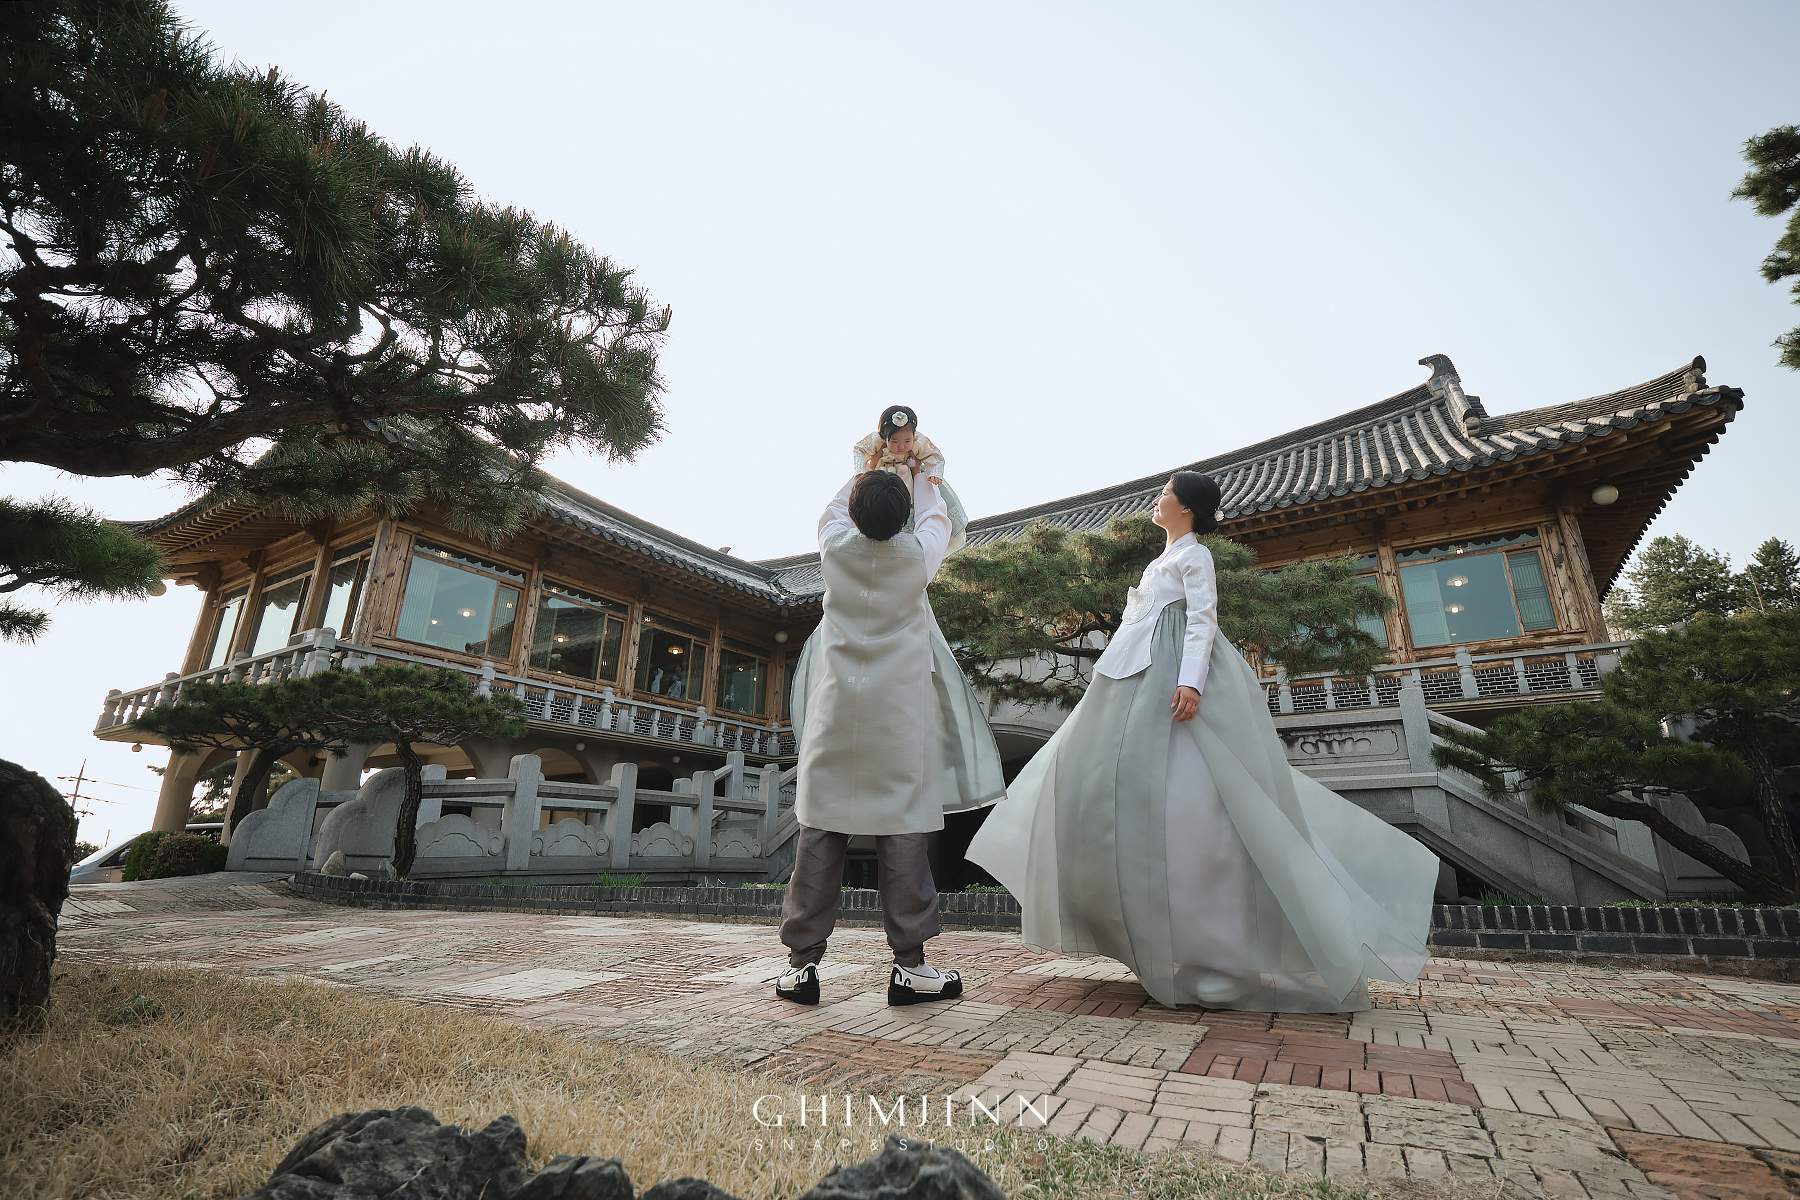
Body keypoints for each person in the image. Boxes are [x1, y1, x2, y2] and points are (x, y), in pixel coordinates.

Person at [966, 471, 1436, 1013]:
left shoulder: (1197, 556)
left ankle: (1220, 953)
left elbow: (1202, 620)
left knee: (1200, 806)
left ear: (1186, 507)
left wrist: (1190, 681)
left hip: (1170, 682)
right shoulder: (1159, 560)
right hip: (1133, 683)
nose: (1157, 499)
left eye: (1165, 493)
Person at [775, 469, 1006, 1007]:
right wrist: (922, 473)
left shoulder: (834, 548)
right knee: (903, 832)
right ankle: (911, 968)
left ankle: (801, 967)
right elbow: (937, 516)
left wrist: (865, 467)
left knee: (821, 829)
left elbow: (832, 509)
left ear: (855, 513)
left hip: (837, 710)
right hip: (899, 713)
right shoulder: (918, 556)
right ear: (904, 517)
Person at [853, 406, 968, 558]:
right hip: (884, 479)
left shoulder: (918, 442)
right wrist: (861, 471)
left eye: (907, 441)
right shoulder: (876, 441)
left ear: (913, 436)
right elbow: (859, 449)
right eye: (894, 442)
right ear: (884, 437)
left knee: (918, 509)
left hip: (910, 480)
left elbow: (934, 455)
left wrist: (934, 473)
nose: (901, 447)